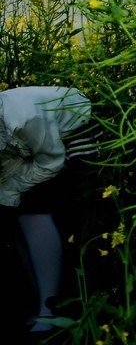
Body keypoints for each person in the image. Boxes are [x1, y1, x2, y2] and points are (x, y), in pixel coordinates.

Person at [0, 86, 92, 335]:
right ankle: (41, 302)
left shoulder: (23, 117)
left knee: (33, 212)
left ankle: (49, 310)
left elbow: (51, 162)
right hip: (36, 147)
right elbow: (8, 162)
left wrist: (11, 190)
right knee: (14, 215)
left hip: (79, 127)